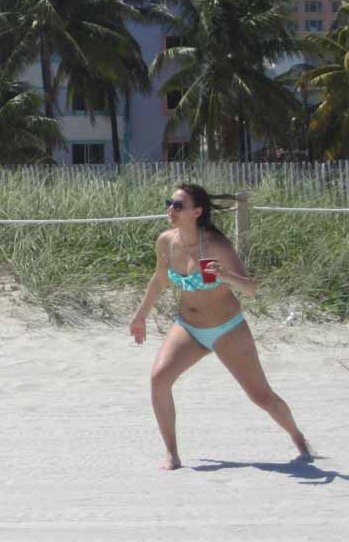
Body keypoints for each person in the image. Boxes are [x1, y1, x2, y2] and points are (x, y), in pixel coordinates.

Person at [129, 183, 310, 470]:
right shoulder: (166, 242)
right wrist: (140, 316)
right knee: (159, 379)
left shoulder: (216, 245)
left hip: (228, 328)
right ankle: (172, 453)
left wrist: (226, 276)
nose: (170, 210)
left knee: (260, 396)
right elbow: (160, 279)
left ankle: (298, 438)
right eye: (169, 203)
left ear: (197, 212)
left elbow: (250, 289)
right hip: (189, 328)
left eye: (178, 205)